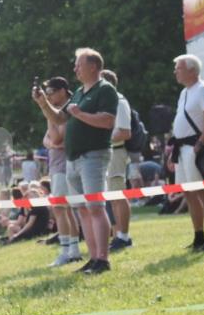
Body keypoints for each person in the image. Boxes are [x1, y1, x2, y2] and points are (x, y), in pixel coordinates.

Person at [33, 48, 118, 275]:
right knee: (82, 210)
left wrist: (80, 114)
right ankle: (92, 258)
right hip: (73, 159)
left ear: (93, 66)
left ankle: (103, 259)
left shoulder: (105, 90)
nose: (75, 69)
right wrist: (43, 103)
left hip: (93, 156)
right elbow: (60, 118)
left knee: (95, 208)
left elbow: (108, 122)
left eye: (79, 65)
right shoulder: (80, 92)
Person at [168, 54, 204, 252]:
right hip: (182, 149)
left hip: (194, 148)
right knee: (188, 193)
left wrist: (199, 144)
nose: (175, 72)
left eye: (179, 68)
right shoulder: (184, 93)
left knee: (203, 193)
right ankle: (198, 236)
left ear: (192, 70)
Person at [33, 77, 81, 267]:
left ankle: (66, 250)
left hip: (64, 164)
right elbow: (47, 141)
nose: (49, 96)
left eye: (51, 92)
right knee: (64, 209)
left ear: (62, 91)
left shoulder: (68, 110)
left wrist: (48, 115)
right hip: (57, 164)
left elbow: (55, 139)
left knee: (61, 208)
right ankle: (72, 249)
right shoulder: (57, 112)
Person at [99, 69, 134, 252]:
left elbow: (124, 132)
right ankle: (118, 234)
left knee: (119, 196)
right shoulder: (111, 102)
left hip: (117, 152)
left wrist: (99, 138)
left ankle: (124, 236)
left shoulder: (119, 102)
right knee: (113, 197)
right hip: (110, 152)